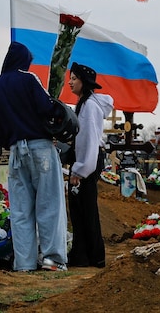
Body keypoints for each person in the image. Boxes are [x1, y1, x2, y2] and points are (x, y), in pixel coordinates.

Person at [0, 42, 68, 272]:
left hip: (15, 152)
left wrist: (9, 140)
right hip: (40, 148)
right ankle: (52, 261)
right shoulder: (29, 79)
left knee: (21, 210)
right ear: (25, 60)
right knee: (49, 205)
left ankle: (24, 264)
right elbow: (46, 109)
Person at [67, 62, 113, 268]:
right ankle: (82, 254)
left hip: (87, 163)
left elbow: (89, 140)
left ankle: (94, 256)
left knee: (86, 210)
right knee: (79, 210)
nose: (70, 82)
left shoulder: (90, 107)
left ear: (84, 83)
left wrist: (80, 170)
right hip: (85, 161)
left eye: (74, 78)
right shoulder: (84, 104)